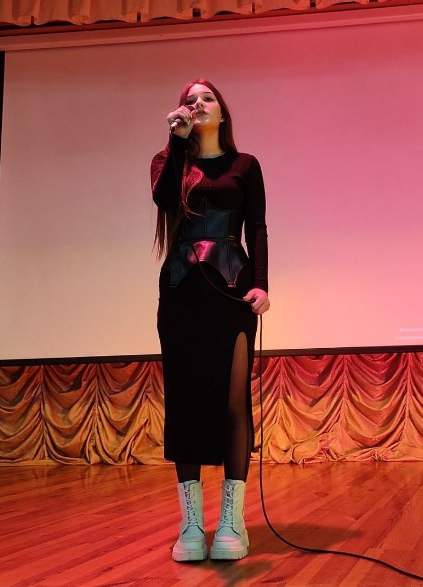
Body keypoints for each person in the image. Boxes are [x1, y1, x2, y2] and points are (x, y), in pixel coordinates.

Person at [150, 79, 270, 562]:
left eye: (207, 98)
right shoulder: (168, 161)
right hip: (181, 289)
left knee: (234, 401)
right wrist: (178, 143)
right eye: (190, 99)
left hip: (232, 289)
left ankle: (232, 522)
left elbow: (257, 227)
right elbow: (164, 202)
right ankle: (192, 526)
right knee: (184, 401)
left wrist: (261, 283)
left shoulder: (246, 165)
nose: (198, 104)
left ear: (222, 110)